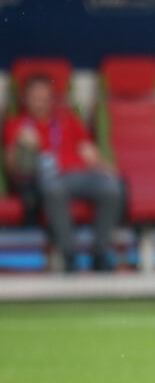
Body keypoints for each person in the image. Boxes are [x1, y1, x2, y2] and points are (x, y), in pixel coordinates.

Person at [3, 74, 122, 271]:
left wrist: (107, 169)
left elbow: (89, 152)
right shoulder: (17, 125)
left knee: (112, 188)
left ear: (52, 99)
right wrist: (23, 150)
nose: (40, 102)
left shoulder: (68, 121)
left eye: (45, 98)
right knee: (54, 188)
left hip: (79, 175)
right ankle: (69, 255)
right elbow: (12, 168)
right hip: (48, 178)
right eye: (35, 97)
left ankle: (100, 253)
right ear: (26, 99)